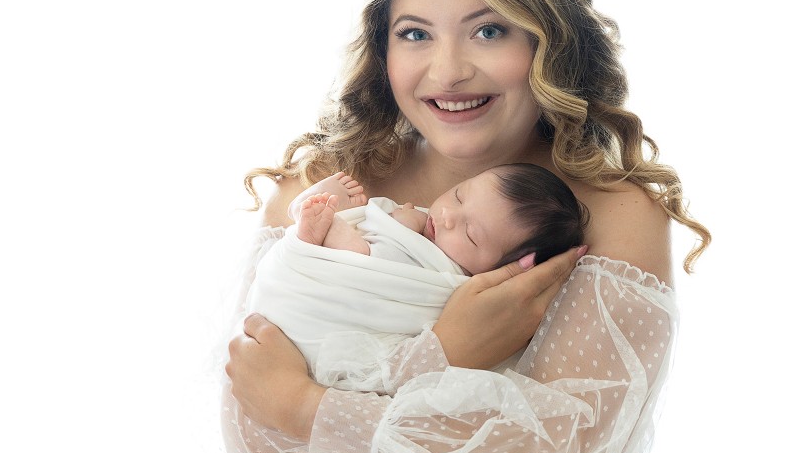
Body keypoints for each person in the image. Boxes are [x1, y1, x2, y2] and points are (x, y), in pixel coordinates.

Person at [223, 0, 710, 453]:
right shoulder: (319, 196)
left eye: (487, 30)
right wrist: (444, 360)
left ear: (547, 41)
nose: (449, 70)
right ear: (382, 51)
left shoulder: (611, 218)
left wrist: (304, 405)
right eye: (414, 34)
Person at [247, 164, 588, 393]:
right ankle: (316, 229)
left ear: (501, 269)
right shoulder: (430, 222)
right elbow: (384, 217)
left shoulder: (456, 280)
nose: (448, 216)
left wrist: (395, 223)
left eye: (471, 234)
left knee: (373, 256)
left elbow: (402, 289)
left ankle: (323, 231)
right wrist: (397, 217)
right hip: (291, 298)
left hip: (359, 292)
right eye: (459, 195)